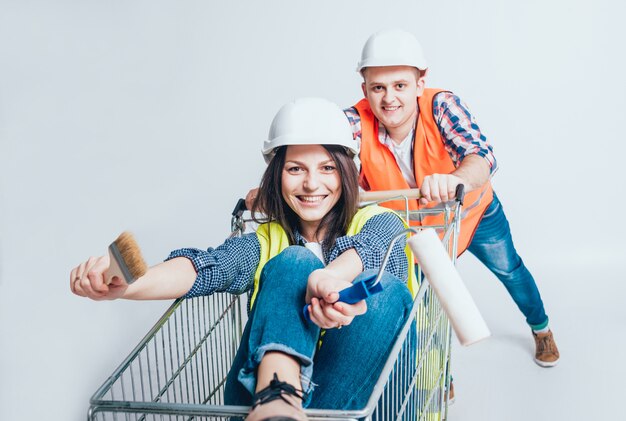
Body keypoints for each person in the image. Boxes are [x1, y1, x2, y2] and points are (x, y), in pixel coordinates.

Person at [70, 98, 415, 421]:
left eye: (327, 168)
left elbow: (374, 247)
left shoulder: (380, 221)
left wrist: (331, 278)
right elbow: (207, 268)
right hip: (256, 400)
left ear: (346, 172)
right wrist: (129, 284)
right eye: (296, 169)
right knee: (294, 261)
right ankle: (276, 396)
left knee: (386, 292)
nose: (312, 183)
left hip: (348, 395)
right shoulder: (266, 240)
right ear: (277, 176)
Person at [344, 29, 559, 370]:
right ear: (365, 89)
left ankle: (541, 328)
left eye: (400, 85)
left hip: (475, 217)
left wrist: (455, 179)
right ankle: (436, 371)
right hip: (414, 231)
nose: (389, 99)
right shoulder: (353, 121)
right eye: (378, 88)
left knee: (510, 270)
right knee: (419, 301)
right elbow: (325, 162)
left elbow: (482, 157)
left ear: (419, 83)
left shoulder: (441, 104)